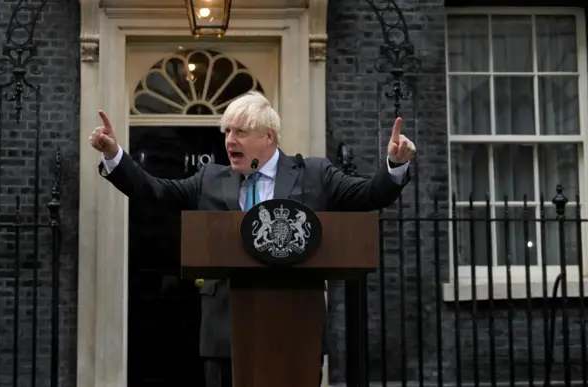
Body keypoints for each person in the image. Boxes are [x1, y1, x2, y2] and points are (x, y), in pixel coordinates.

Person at [89, 91, 416, 387]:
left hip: (295, 324)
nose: (230, 140)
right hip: (225, 330)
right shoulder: (210, 179)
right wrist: (116, 156)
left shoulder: (315, 174)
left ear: (268, 136)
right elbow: (155, 192)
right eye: (227, 132)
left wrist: (395, 167)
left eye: (240, 132)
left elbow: (368, 195)